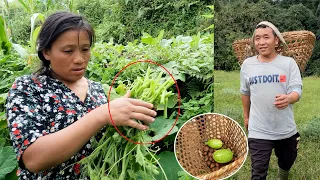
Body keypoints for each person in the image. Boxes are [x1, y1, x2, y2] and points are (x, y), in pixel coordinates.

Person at [6, 11, 157, 179]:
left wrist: (132, 117)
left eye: (85, 49)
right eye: (68, 51)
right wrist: (101, 115)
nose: (79, 59)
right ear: (46, 52)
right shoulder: (29, 88)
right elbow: (34, 159)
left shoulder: (98, 91)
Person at [240, 21, 302, 180]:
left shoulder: (288, 63)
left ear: (276, 40)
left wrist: (289, 98)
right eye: (257, 38)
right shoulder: (247, 65)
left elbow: (297, 91)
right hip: (258, 128)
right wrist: (246, 116)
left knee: (287, 161)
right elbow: (245, 92)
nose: (261, 42)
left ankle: (283, 175)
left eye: (266, 37)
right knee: (258, 172)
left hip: (285, 128)